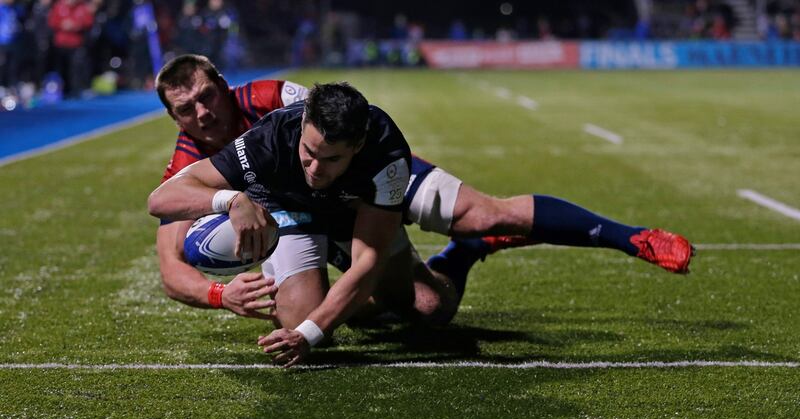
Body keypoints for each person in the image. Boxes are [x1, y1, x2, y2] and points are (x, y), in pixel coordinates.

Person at [153, 54, 694, 323]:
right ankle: (464, 254)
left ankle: (631, 237)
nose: (202, 113)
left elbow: (341, 120)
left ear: (223, 86)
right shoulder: (188, 163)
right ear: (174, 117)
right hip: (304, 214)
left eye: (207, 96)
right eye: (186, 108)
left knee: (484, 212)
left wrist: (380, 169)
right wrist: (221, 294)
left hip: (363, 175)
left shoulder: (276, 98)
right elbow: (171, 264)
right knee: (425, 308)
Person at [149, 82, 461, 367]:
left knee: (431, 306)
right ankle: (330, 300)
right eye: (309, 152)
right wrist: (232, 200)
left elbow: (368, 260)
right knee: (303, 319)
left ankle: (462, 253)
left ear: (358, 145)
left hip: (348, 209)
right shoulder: (270, 137)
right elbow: (160, 200)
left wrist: (307, 335)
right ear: (302, 126)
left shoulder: (385, 149)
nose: (315, 168)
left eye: (332, 159)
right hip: (289, 207)